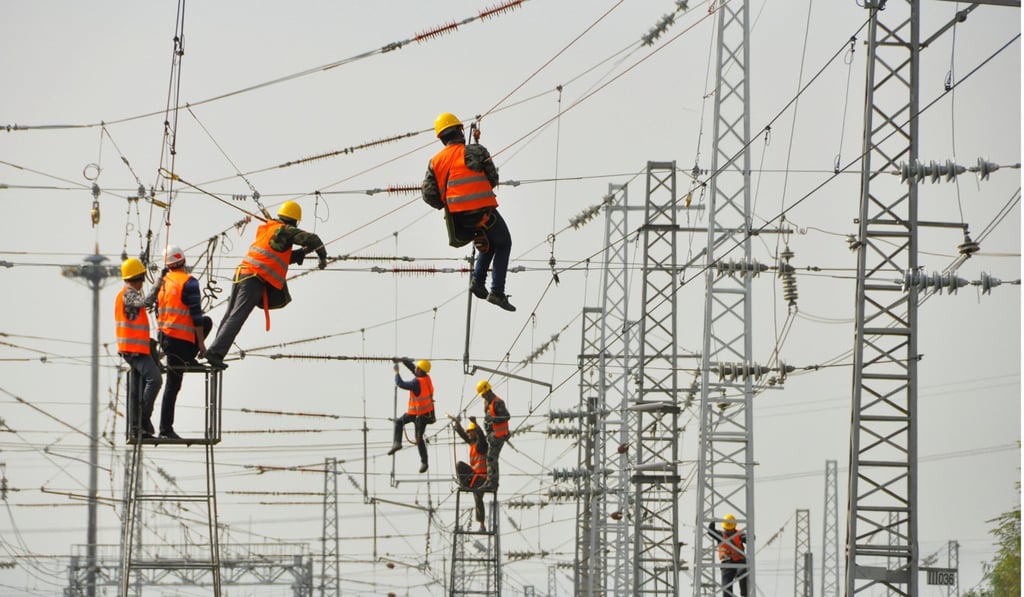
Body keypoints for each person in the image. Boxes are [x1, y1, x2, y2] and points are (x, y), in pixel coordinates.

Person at [205, 201, 328, 367]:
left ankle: (214, 350)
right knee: (237, 316)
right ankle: (215, 353)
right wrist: (322, 257)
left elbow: (275, 257)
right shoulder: (284, 230)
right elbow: (313, 239)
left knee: (231, 315)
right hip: (254, 278)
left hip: (242, 273)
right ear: (294, 221)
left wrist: (300, 253)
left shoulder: (271, 229)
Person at [422, 112, 516, 312]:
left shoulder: (435, 161)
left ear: (441, 138)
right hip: (482, 210)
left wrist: (449, 204)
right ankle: (497, 292)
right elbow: (492, 178)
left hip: (459, 218)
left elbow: (429, 194)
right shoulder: (476, 151)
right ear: (459, 131)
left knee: (491, 242)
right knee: (504, 242)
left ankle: (477, 281)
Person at [155, 245, 214, 440]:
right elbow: (196, 317)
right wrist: (202, 345)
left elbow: (158, 312)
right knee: (173, 385)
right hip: (180, 341)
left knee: (172, 384)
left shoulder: (163, 283)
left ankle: (165, 428)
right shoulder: (189, 282)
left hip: (165, 338)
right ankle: (165, 429)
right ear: (184, 261)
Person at [115, 257, 162, 440]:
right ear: (137, 277)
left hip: (137, 348)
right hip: (132, 349)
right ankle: (143, 421)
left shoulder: (127, 294)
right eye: (142, 278)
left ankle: (140, 425)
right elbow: (147, 302)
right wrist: (159, 282)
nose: (143, 282)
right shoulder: (128, 293)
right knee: (155, 380)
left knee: (143, 385)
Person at [387, 358, 436, 473]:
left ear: (421, 371)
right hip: (420, 413)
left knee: (419, 438)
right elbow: (413, 368)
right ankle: (397, 443)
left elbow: (401, 384)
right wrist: (404, 360)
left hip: (422, 416)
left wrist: (397, 372)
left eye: (418, 368)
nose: (416, 369)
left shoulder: (416, 382)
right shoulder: (426, 378)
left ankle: (424, 462)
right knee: (399, 422)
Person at [452, 416, 489, 532]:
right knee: (459, 465)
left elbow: (482, 437)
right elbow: (463, 435)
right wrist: (457, 424)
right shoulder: (472, 444)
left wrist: (476, 424)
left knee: (478, 497)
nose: (468, 434)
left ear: (475, 433)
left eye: (470, 432)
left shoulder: (481, 445)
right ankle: (464, 484)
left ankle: (482, 524)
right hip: (474, 477)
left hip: (482, 477)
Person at [475, 380, 510, 490]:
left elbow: (506, 416)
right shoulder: (487, 402)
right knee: (491, 458)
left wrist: (493, 419)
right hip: (492, 435)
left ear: (488, 390)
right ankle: (491, 482)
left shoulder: (498, 402)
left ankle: (492, 483)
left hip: (499, 434)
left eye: (483, 394)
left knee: (491, 458)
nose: (482, 397)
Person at [708, 514, 749, 597]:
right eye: (726, 529)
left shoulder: (740, 534)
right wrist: (712, 522)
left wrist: (747, 538)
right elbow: (710, 531)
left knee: (743, 572)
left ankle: (744, 594)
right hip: (727, 564)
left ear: (734, 527)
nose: (728, 531)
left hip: (739, 562)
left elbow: (748, 538)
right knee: (726, 586)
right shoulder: (720, 535)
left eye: (730, 529)